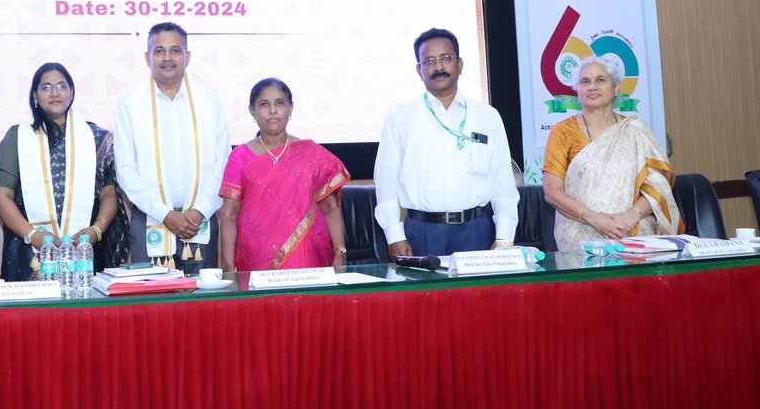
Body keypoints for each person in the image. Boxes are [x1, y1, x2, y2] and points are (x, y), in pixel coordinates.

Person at [375, 27, 519, 259]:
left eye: (446, 58)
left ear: (460, 64)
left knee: (479, 296)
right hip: (421, 231)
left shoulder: (487, 116)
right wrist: (394, 235)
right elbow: (386, 182)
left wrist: (504, 237)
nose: (438, 67)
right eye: (429, 61)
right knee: (425, 296)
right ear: (419, 70)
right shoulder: (400, 116)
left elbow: (503, 181)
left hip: (476, 230)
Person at [0, 63, 129, 280]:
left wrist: (96, 230)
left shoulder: (97, 138)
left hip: (85, 251)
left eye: (61, 86)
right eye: (46, 87)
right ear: (35, 96)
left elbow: (109, 194)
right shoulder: (16, 137)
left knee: (82, 313)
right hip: (28, 252)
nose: (55, 93)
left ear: (72, 92)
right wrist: (32, 235)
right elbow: (1, 196)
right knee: (31, 314)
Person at [114, 22, 230, 272]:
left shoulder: (209, 100)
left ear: (187, 56)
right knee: (153, 305)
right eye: (159, 51)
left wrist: (201, 209)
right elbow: (125, 170)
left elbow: (223, 162)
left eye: (175, 51)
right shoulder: (130, 104)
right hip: (151, 219)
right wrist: (165, 214)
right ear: (147, 58)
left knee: (200, 304)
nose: (168, 58)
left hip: (201, 220)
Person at [543, 56, 682, 251]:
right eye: (585, 81)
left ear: (615, 88)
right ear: (577, 90)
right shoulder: (563, 132)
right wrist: (596, 220)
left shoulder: (635, 129)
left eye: (600, 80)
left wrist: (630, 216)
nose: (592, 86)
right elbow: (552, 192)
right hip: (581, 233)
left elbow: (659, 186)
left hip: (632, 229)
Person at [218, 78, 350, 272]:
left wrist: (340, 252)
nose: (273, 110)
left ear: (291, 108)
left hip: (307, 255)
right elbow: (228, 215)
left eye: (280, 103)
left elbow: (330, 208)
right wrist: (228, 267)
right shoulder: (240, 157)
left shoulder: (311, 153)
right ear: (252, 111)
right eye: (264, 104)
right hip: (256, 258)